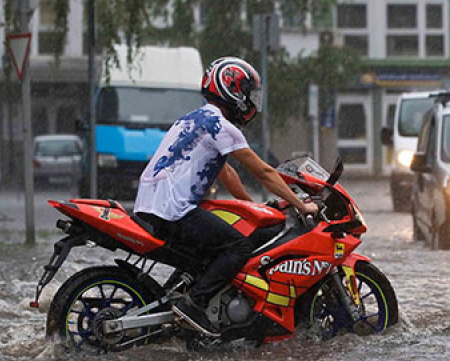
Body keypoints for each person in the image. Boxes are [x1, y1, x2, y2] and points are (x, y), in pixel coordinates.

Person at [134, 57, 318, 336]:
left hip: (152, 205)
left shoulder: (194, 118)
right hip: (173, 210)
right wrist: (301, 205)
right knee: (238, 247)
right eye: (248, 93)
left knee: (215, 245)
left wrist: (252, 207)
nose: (251, 101)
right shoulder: (221, 126)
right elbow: (265, 172)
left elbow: (226, 172)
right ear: (231, 90)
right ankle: (194, 304)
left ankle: (182, 298)